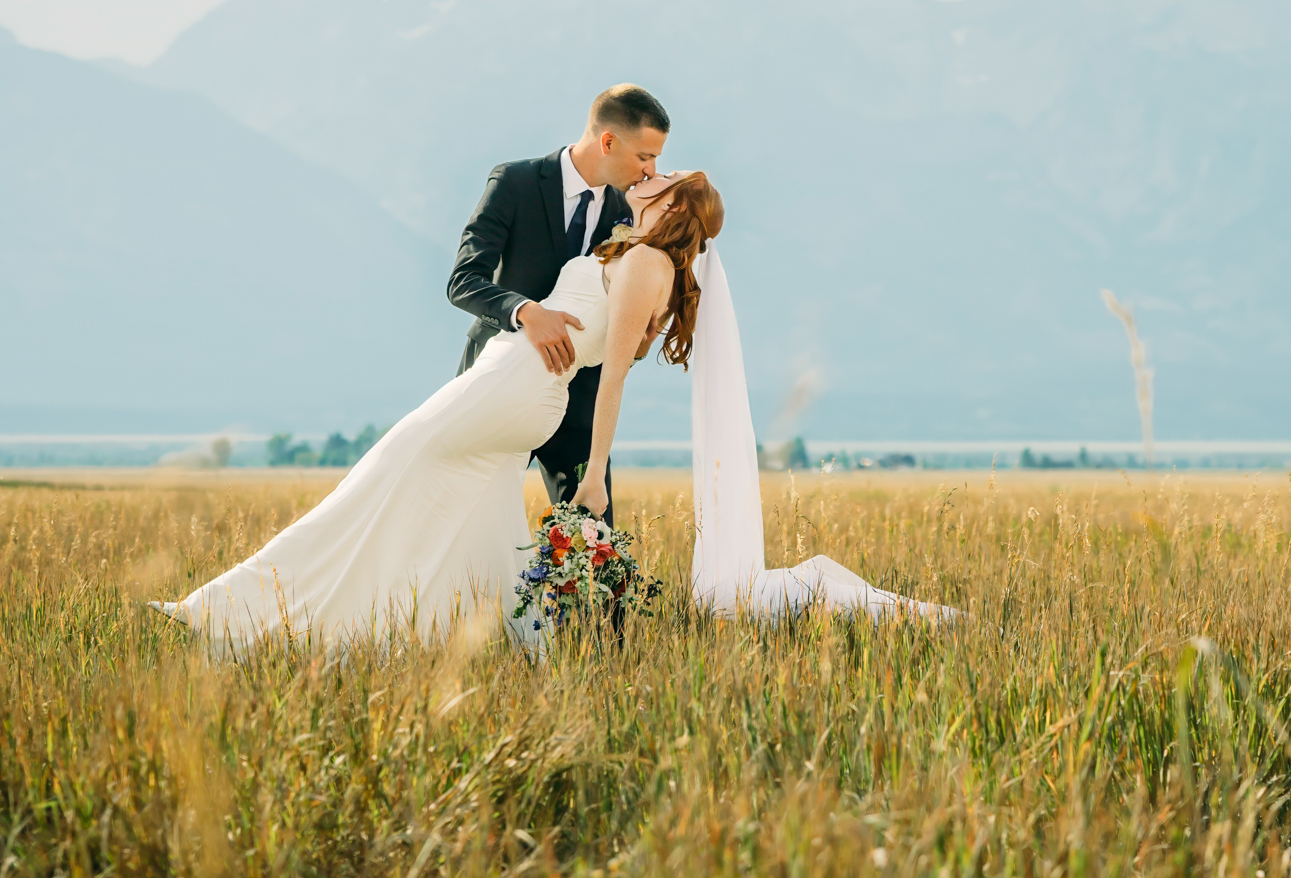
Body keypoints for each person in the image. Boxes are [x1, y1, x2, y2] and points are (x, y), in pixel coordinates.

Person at [153, 168, 953, 650]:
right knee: (462, 507)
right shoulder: (632, 250)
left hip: (519, 390)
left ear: (673, 210)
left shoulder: (644, 265)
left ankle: (242, 610)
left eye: (660, 179)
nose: (647, 175)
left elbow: (612, 384)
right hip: (510, 383)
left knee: (388, 470)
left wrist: (596, 473)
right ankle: (404, 628)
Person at [448, 83, 672, 519]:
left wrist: (641, 340)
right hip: (499, 380)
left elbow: (620, 325)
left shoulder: (633, 215)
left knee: (593, 538)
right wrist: (526, 311)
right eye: (645, 156)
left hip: (580, 400)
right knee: (460, 516)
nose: (651, 171)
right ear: (608, 141)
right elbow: (463, 281)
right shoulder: (515, 182)